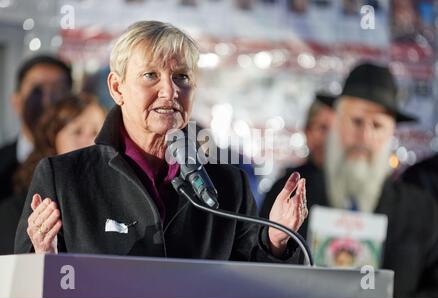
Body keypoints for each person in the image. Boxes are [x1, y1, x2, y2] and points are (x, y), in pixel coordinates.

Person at [15, 21, 308, 264]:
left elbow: (253, 287)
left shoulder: (228, 184)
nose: (169, 90)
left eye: (181, 76)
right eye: (150, 75)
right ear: (118, 88)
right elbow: (23, 281)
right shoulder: (64, 177)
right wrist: (45, 258)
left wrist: (277, 239)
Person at [262, 62, 438, 298]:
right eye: (356, 121)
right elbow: (257, 270)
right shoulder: (288, 195)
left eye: (377, 125)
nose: (364, 136)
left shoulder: (421, 211)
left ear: (391, 133)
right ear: (336, 123)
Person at [0, 94, 105, 255]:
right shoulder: (14, 211)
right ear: (52, 139)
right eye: (77, 132)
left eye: (96, 132)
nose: (89, 141)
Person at [0, 55, 72, 202]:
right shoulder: (3, 165)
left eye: (58, 91)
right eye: (37, 91)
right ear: (17, 101)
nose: (47, 101)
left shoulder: (84, 165)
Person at [260, 93, 336, 219]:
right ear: (307, 131)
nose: (330, 138)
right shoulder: (287, 187)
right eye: (323, 128)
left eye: (336, 131)